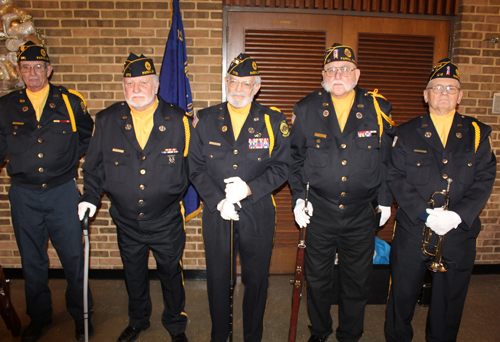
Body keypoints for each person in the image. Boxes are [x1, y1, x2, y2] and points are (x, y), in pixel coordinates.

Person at [78, 53, 190, 342]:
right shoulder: (106, 120)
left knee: (170, 274)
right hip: (126, 220)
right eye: (130, 83)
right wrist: (90, 196)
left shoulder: (179, 121)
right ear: (123, 86)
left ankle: (176, 324)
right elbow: (94, 168)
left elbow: (194, 168)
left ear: (156, 85)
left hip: (165, 219)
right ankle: (138, 320)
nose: (136, 89)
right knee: (134, 274)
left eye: (143, 82)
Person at [384, 58, 496, 342]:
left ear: (460, 95)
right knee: (402, 296)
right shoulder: (406, 132)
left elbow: (484, 177)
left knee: (449, 303)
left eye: (451, 88)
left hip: (458, 233)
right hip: (414, 230)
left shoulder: (477, 133)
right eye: (437, 87)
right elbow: (396, 176)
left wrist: (457, 215)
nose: (444, 92)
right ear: (426, 95)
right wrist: (426, 215)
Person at [289, 43, 395, 342]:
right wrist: (299, 197)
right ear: (323, 75)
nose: (338, 74)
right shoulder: (306, 108)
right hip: (319, 210)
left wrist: (386, 200)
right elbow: (294, 158)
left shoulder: (378, 107)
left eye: (345, 69)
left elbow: (387, 159)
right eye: (332, 69)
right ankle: (320, 332)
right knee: (318, 280)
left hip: (362, 212)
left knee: (356, 281)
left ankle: (350, 335)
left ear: (357, 74)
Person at [189, 53, 290, 342]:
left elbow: (282, 166)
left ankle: (252, 336)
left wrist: (248, 189)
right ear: (225, 82)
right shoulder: (205, 119)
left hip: (257, 210)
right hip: (216, 211)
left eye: (246, 84)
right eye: (233, 82)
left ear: (256, 87)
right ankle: (220, 335)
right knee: (219, 279)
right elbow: (194, 167)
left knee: (256, 280)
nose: (239, 89)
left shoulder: (272, 120)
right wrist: (217, 200)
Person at [0, 41, 94, 342]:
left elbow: (88, 136)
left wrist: (67, 159)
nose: (32, 72)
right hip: (24, 194)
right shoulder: (6, 105)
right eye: (26, 67)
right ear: (19, 71)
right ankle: (38, 317)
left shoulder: (69, 100)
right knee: (31, 259)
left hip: (61, 191)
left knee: (73, 256)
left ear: (49, 69)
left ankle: (82, 315)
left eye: (38, 67)